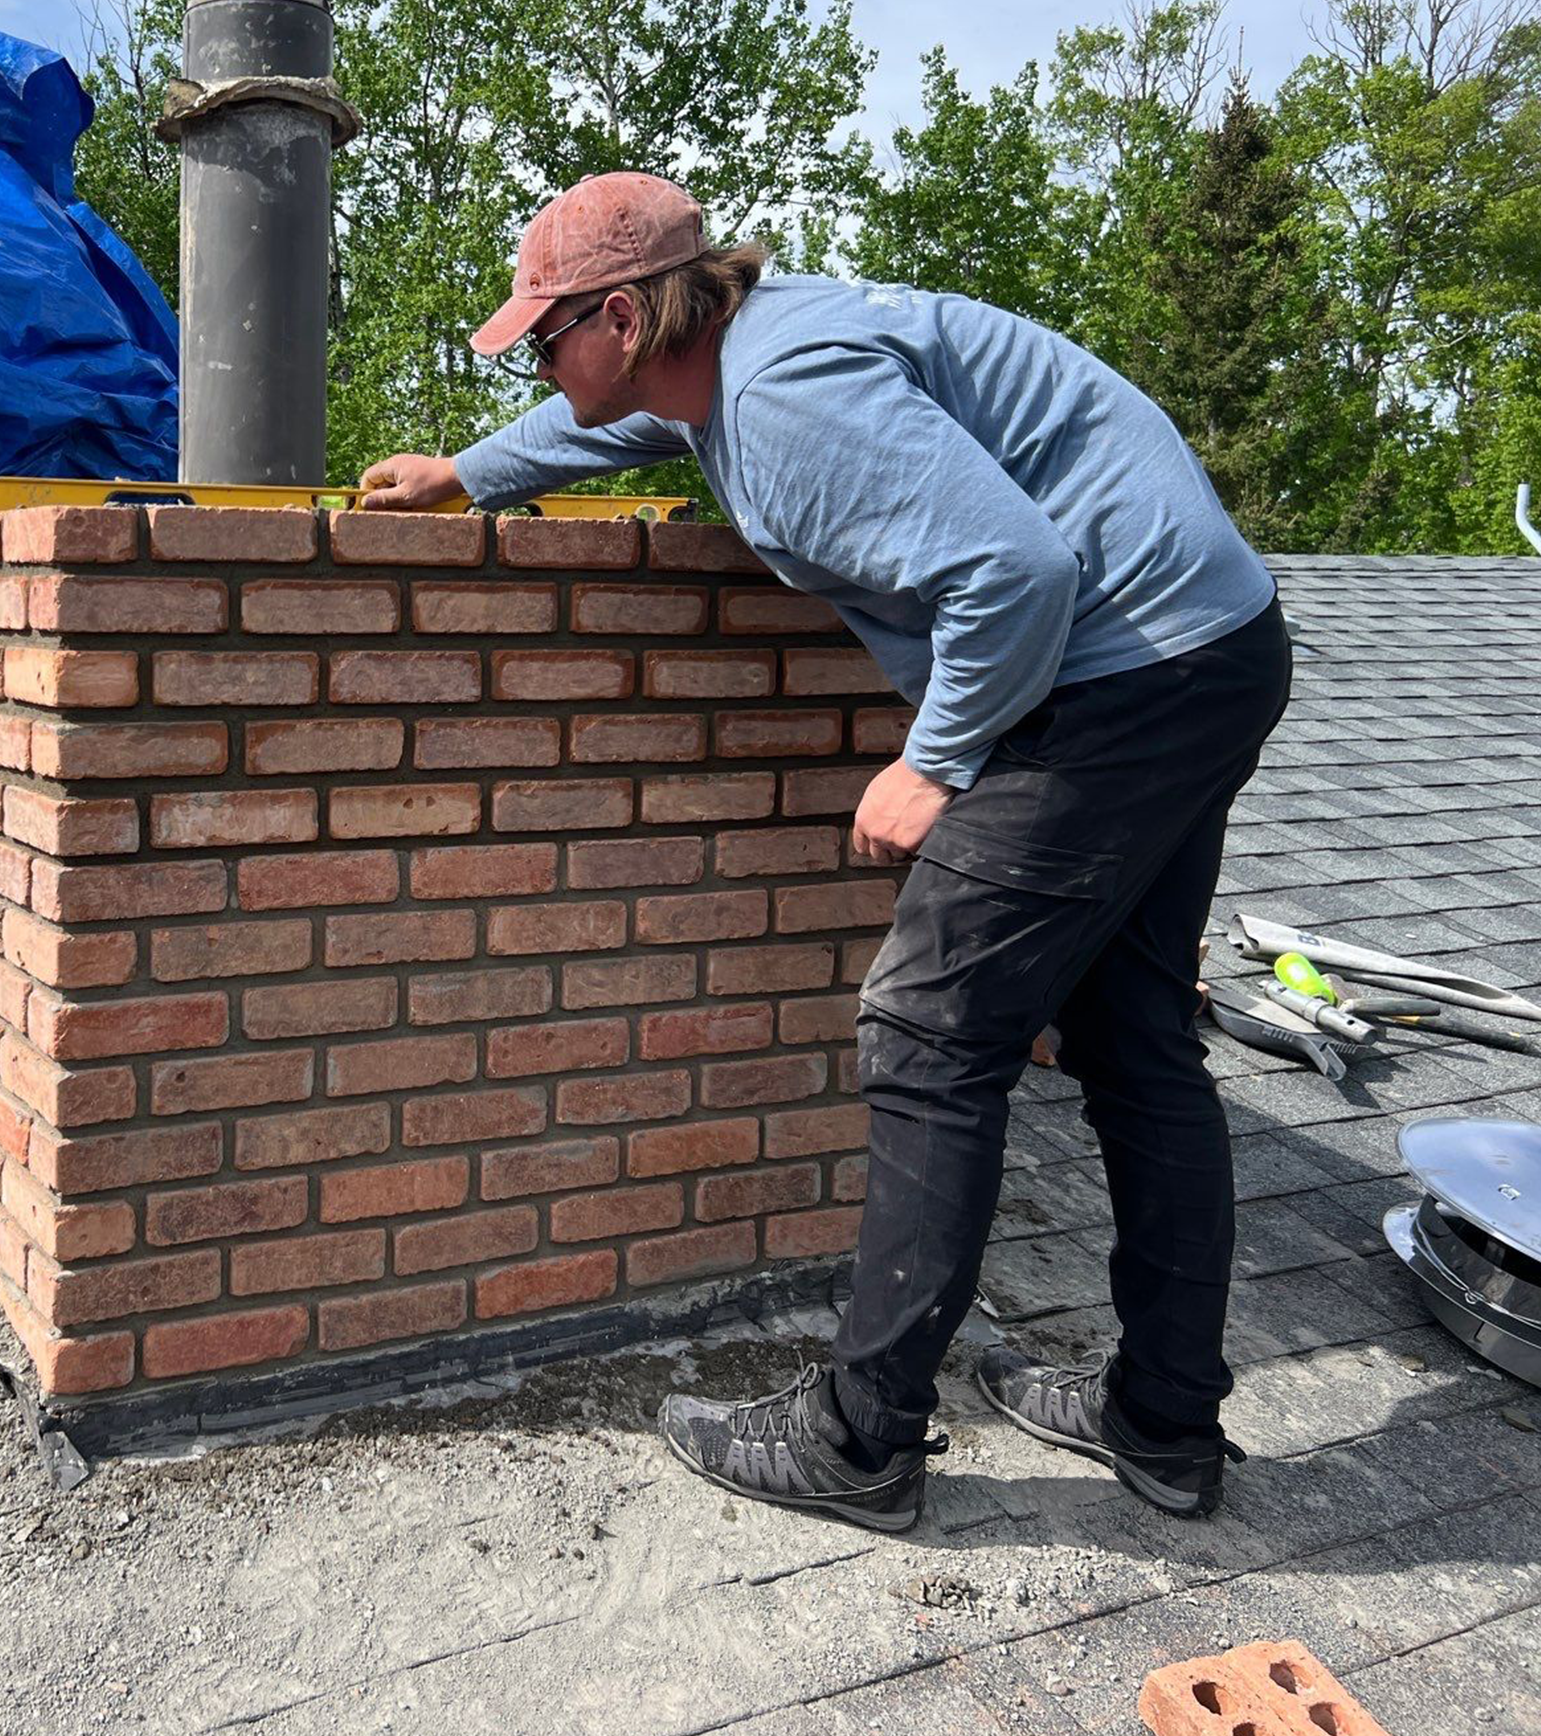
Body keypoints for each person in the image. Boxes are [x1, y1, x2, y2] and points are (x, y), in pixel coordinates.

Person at [359, 171, 1289, 1532]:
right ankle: (1165, 1420)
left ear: (623, 314)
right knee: (1136, 1036)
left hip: (1117, 675)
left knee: (929, 1029)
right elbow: (621, 438)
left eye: (546, 338)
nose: (541, 360)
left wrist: (935, 760)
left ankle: (864, 1437)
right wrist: (469, 473)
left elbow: (1014, 571)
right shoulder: (734, 360)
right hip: (1206, 644)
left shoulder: (789, 395)